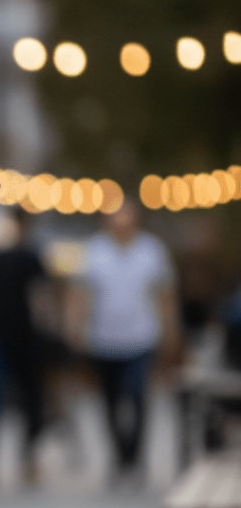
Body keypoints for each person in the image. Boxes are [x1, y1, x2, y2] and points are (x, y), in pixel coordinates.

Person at [69, 201, 179, 485]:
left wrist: (170, 333)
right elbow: (79, 293)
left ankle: (135, 457)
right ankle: (119, 456)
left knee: (138, 397)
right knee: (109, 401)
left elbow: (165, 295)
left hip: (141, 337)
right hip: (103, 339)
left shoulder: (151, 250)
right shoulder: (93, 250)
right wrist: (76, 329)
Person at [0, 208, 50, 488]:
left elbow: (40, 299)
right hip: (6, 337)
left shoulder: (26, 258)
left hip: (17, 337)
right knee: (5, 398)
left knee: (20, 399)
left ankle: (23, 455)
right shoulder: (1, 258)